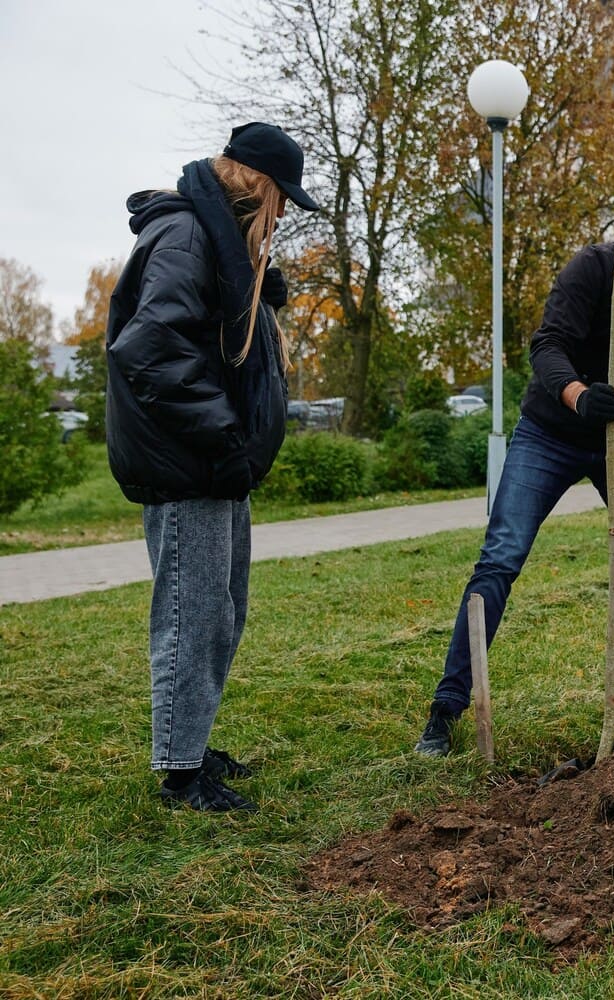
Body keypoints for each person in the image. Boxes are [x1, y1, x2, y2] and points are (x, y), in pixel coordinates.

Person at [415, 200, 614, 757]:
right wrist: (580, 396)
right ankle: (446, 710)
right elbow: (547, 345)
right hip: (551, 430)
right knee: (501, 557)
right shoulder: (597, 269)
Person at [105, 122, 321, 812]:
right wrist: (224, 433)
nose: (283, 212)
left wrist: (253, 295)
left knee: (222, 613)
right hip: (190, 463)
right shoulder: (186, 235)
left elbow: (198, 327)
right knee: (192, 617)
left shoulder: (213, 240)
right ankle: (180, 775)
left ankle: (191, 745)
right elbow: (150, 349)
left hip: (216, 465)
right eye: (281, 197)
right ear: (255, 184)